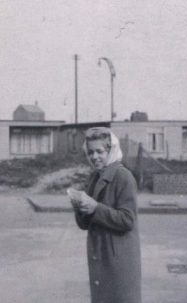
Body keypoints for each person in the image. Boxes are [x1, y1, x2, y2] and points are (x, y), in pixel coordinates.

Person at [68, 127, 141, 303]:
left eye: (100, 151)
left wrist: (95, 208)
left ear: (111, 150)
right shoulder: (95, 177)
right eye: (90, 152)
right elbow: (85, 224)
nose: (94, 157)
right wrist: (79, 206)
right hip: (101, 253)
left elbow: (128, 220)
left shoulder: (123, 177)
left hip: (118, 259)